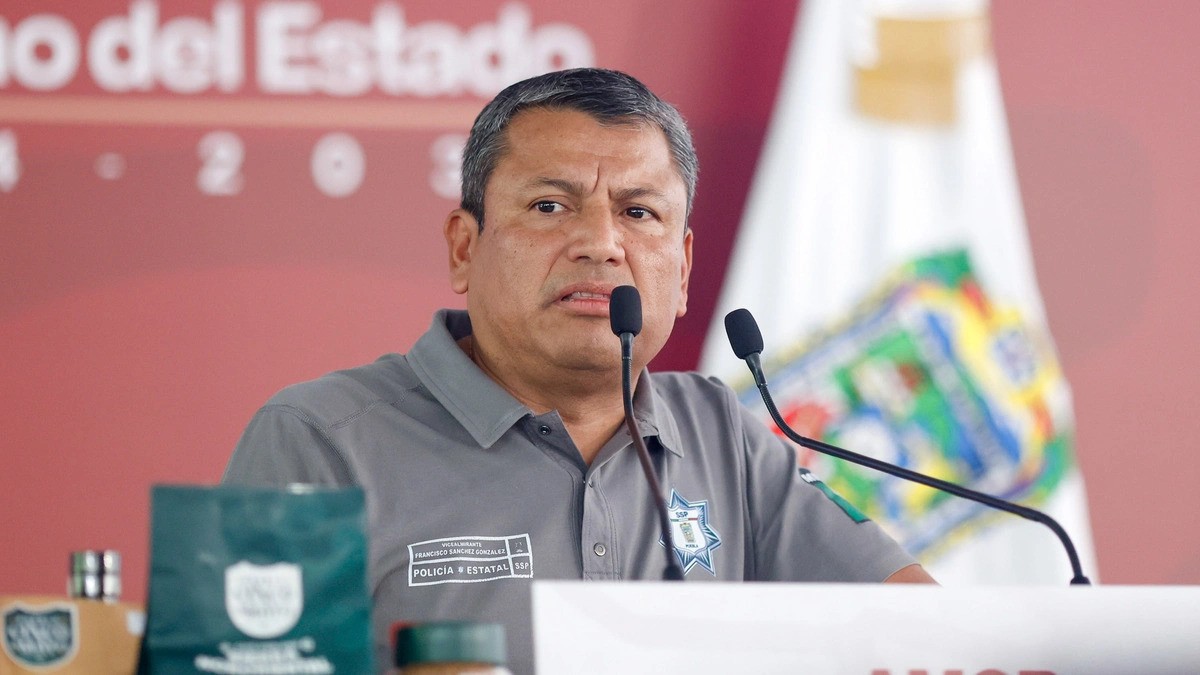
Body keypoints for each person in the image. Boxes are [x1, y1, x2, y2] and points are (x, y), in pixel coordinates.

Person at [223, 67, 934, 674]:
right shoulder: (320, 441)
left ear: (683, 271)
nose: (600, 242)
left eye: (638, 212)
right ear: (465, 248)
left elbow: (926, 633)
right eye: (550, 205)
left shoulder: (722, 432)